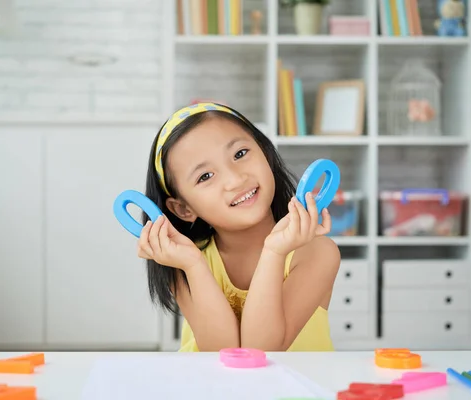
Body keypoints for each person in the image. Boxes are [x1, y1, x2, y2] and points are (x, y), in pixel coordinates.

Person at [137, 102, 341, 352]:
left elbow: (261, 351)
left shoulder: (317, 253)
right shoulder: (183, 260)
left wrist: (274, 252)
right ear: (183, 209)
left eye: (240, 154)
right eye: (205, 176)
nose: (235, 179)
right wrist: (193, 265)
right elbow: (222, 355)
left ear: (265, 152)